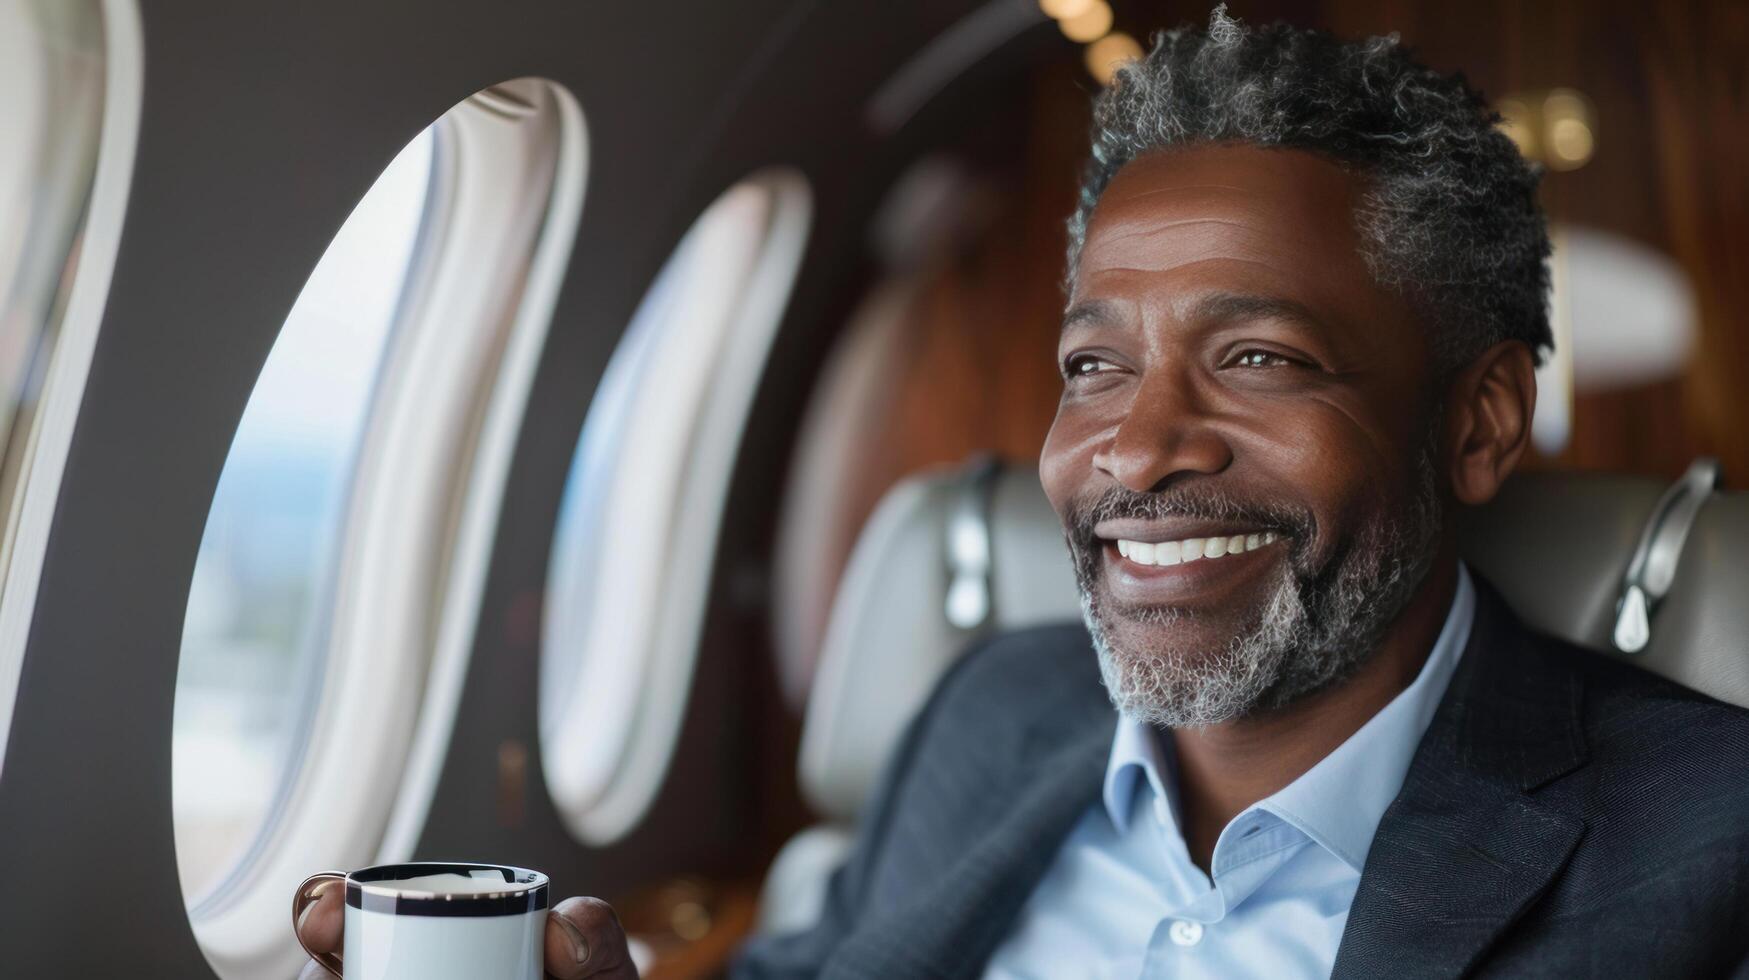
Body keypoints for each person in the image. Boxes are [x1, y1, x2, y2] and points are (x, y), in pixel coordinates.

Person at [299, 8, 1749, 978]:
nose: (1135, 449)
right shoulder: (991, 713)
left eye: (1257, 355)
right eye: (1092, 365)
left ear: (1478, 423)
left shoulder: (1705, 845)